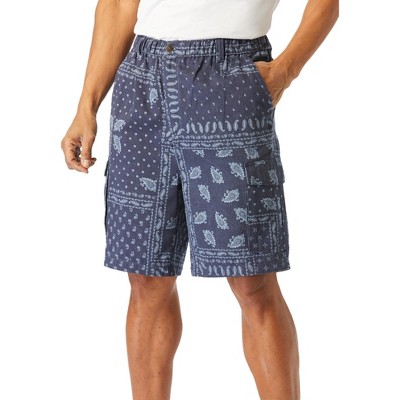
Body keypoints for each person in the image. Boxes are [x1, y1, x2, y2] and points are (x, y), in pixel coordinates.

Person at [61, 0, 338, 398]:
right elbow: (119, 5)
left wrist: (283, 73)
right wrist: (86, 107)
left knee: (252, 280)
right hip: (142, 83)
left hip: (230, 77)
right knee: (146, 277)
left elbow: (326, 4)